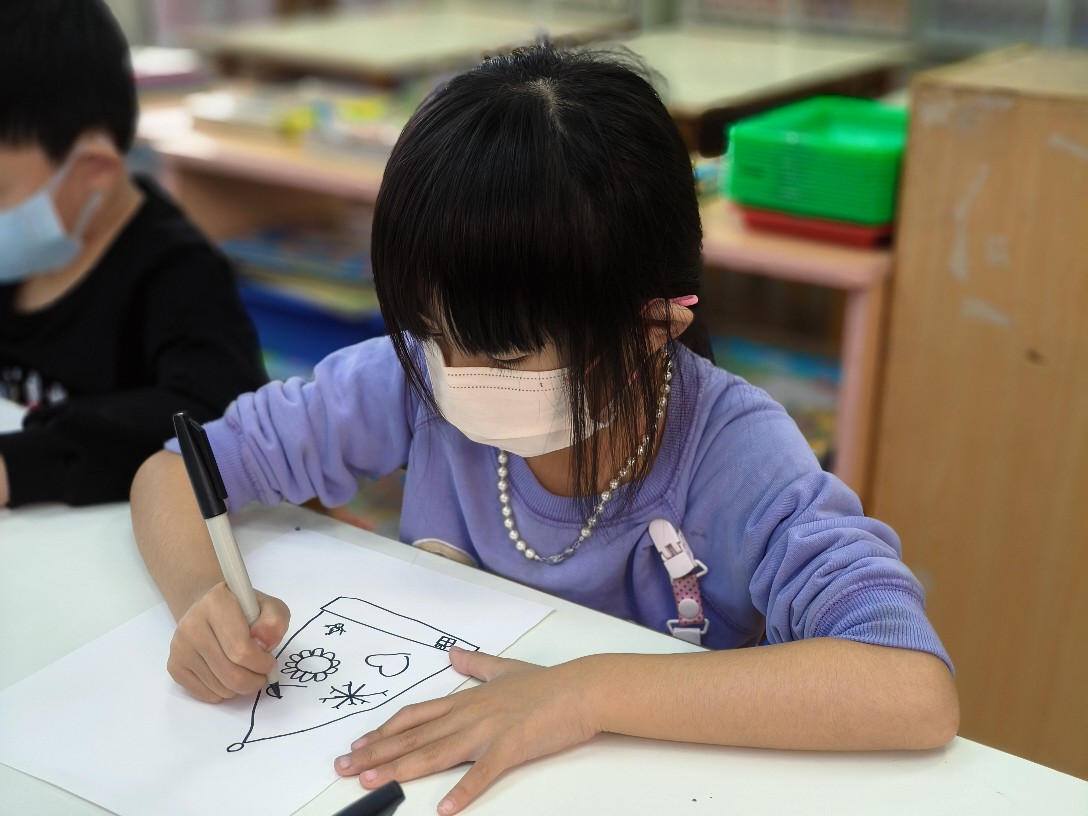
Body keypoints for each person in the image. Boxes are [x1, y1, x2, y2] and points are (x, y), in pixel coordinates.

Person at [131, 46, 958, 815]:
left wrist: (583, 692)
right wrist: (203, 600)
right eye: (432, 331)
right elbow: (173, 473)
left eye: (502, 353)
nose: (451, 373)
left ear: (652, 328)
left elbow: (909, 687)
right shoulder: (413, 375)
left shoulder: (733, 452)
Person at [0, 0, 268, 507]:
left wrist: (22, 465)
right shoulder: (16, 263)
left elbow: (218, 420)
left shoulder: (180, 274)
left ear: (93, 169)